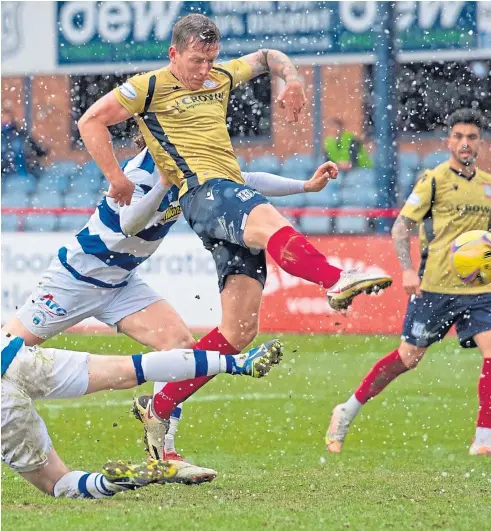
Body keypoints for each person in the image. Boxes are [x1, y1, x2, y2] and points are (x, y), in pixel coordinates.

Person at [77, 13, 392, 464]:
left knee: (238, 331)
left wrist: (293, 80)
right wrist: (114, 176)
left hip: (227, 192)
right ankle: (334, 279)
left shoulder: (221, 77)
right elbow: (92, 120)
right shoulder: (148, 87)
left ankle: (159, 406)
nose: (203, 70)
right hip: (202, 194)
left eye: (210, 59)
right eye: (194, 60)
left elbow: (267, 57)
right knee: (266, 220)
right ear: (173, 53)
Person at [3, 129, 337, 482]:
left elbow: (243, 179)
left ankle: (165, 451)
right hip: (74, 281)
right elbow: (130, 222)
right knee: (8, 351)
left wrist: (305, 186)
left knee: (179, 346)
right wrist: (165, 182)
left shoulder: (192, 160)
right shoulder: (140, 173)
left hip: (121, 283)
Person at [326, 108, 491, 456]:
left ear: (480, 143)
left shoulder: (487, 186)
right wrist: (407, 270)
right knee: (407, 358)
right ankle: (347, 410)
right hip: (434, 289)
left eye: (471, 137)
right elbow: (402, 227)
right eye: (458, 136)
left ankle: (484, 438)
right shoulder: (434, 179)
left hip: (478, 292)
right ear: (449, 141)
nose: (465, 143)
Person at [1, 328, 282, 498]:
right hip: (14, 359)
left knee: (57, 483)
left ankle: (112, 483)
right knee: (130, 369)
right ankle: (233, 362)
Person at [1, 109, 48, 177]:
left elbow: (37, 150)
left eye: (6, 120)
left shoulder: (21, 135)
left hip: (20, 174)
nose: (5, 123)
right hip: (19, 175)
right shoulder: (20, 135)